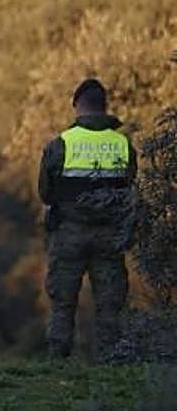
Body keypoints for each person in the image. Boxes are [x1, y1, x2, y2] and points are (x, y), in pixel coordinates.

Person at [38, 78, 137, 361]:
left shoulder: (61, 145)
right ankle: (109, 363)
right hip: (109, 237)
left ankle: (58, 361)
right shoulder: (123, 145)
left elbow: (45, 193)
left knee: (62, 301)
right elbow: (129, 185)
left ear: (77, 106)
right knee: (110, 303)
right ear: (104, 107)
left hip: (69, 235)